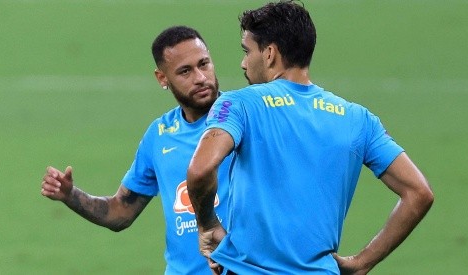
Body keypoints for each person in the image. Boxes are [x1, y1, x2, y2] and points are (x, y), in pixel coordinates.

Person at [186, 1, 434, 274]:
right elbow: (418, 193)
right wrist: (363, 262)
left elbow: (201, 169)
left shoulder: (238, 104)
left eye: (247, 51)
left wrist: (207, 224)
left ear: (269, 54)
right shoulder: (357, 119)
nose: (244, 63)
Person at [41, 26, 232, 275]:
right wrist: (70, 195)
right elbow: (121, 212)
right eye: (185, 71)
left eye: (203, 64)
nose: (200, 77)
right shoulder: (160, 135)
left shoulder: (244, 115)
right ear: (163, 78)